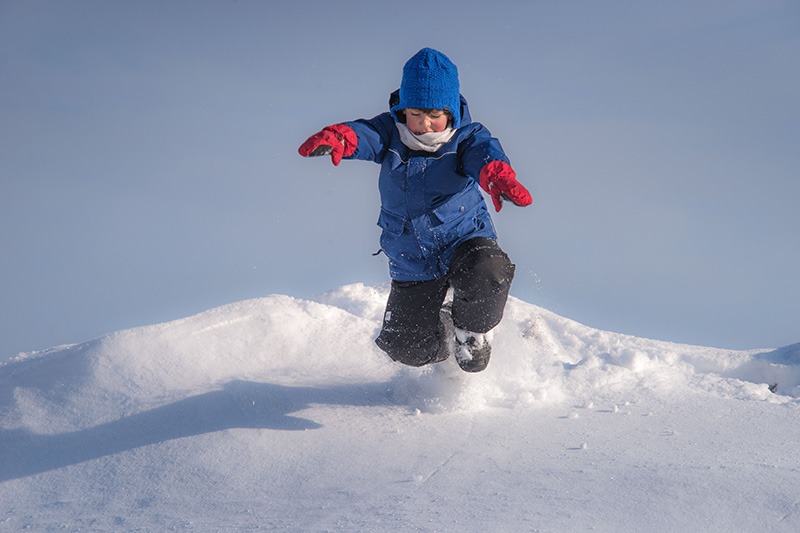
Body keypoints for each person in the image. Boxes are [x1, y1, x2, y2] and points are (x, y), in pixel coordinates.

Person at [298, 48, 532, 372]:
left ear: (449, 111)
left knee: (488, 272)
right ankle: (446, 329)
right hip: (413, 257)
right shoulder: (390, 133)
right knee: (405, 347)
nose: (424, 125)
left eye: (434, 114)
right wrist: (341, 138)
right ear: (403, 109)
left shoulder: (465, 138)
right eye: (415, 114)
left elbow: (485, 156)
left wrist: (497, 176)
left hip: (462, 239)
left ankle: (471, 332)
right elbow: (364, 135)